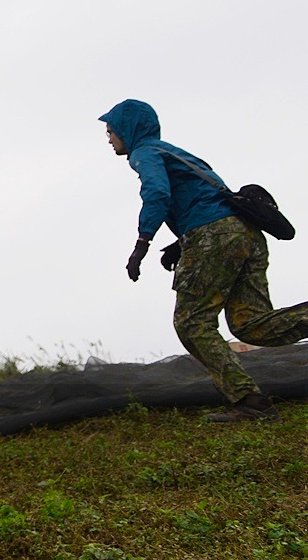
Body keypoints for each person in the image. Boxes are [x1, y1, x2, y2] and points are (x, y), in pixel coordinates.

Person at [103, 98, 308, 422]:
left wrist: (143, 243)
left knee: (191, 322)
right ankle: (252, 402)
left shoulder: (145, 153)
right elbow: (205, 198)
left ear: (128, 130)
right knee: (250, 324)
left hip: (214, 236)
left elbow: (157, 193)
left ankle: (250, 402)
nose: (108, 136)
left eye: (111, 129)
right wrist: (183, 240)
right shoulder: (175, 152)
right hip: (244, 233)